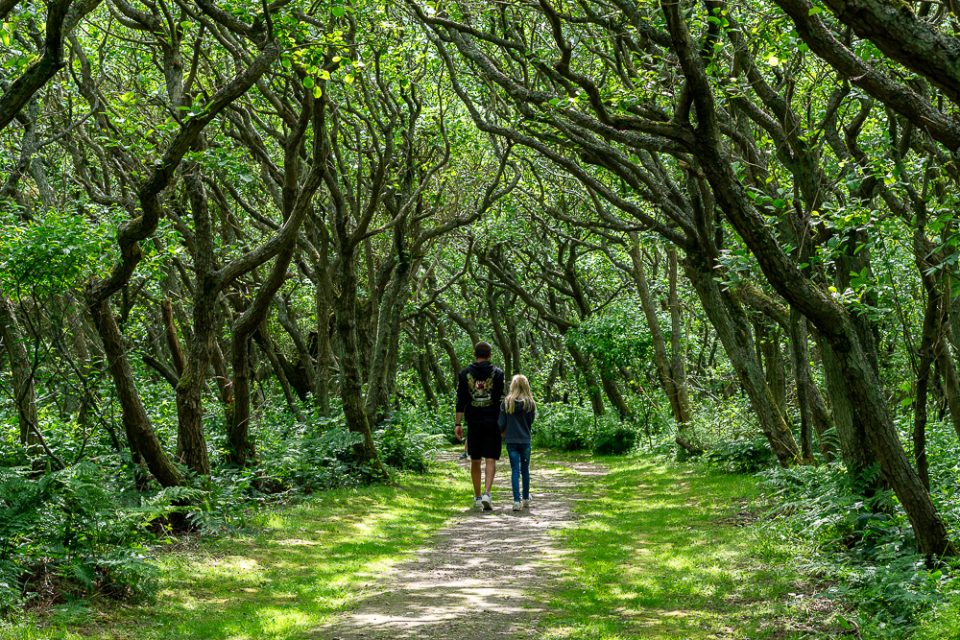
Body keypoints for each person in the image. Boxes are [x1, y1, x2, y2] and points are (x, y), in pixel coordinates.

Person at [455, 342, 505, 510]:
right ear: (490, 355)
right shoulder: (498, 373)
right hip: (492, 421)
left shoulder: (464, 374)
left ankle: (477, 496)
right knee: (490, 458)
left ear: (474, 353)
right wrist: (504, 423)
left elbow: (461, 400)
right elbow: (500, 398)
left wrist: (458, 423)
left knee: (475, 459)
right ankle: (487, 493)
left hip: (473, 421)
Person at [498, 374, 535, 512]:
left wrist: (503, 431)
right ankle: (526, 498)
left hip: (511, 440)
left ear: (512, 386)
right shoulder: (530, 403)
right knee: (525, 470)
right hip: (525, 440)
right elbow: (531, 422)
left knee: (515, 470)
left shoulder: (507, 403)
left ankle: (516, 501)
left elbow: (501, 423)